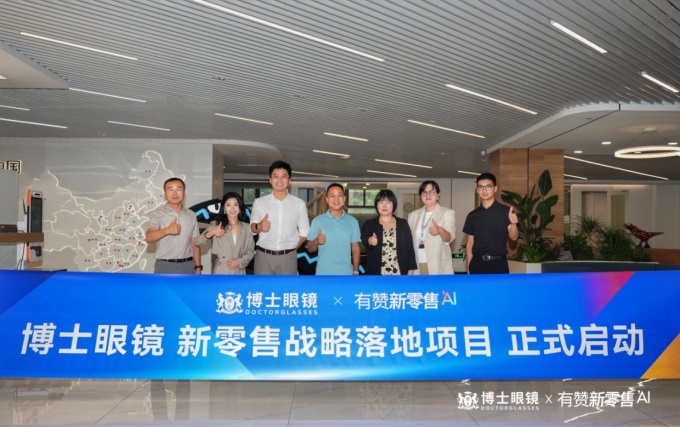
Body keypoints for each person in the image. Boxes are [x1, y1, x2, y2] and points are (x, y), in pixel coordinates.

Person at [249, 160, 310, 275]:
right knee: (262, 286)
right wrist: (259, 226)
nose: (280, 180)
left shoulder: (299, 204)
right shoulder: (259, 202)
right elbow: (252, 228)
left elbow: (304, 232)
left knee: (287, 287)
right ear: (270, 180)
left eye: (284, 176)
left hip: (288, 258)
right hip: (264, 257)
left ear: (289, 180)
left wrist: (291, 249)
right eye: (276, 176)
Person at [462, 172, 519, 274]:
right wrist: (469, 268)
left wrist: (514, 224)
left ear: (495, 188)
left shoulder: (506, 212)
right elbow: (470, 243)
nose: (484, 190)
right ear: (477, 190)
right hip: (477, 263)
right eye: (481, 187)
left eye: (488, 187)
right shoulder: (472, 215)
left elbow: (514, 237)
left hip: (498, 264)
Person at [145, 177, 201, 274]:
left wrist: (198, 267)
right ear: (165, 194)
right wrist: (167, 230)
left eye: (178, 189)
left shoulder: (191, 215)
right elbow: (149, 237)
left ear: (184, 192)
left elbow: (195, 243)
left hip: (187, 265)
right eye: (170, 190)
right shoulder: (157, 214)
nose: (175, 193)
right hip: (164, 265)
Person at [307, 183, 361, 275]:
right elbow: (310, 248)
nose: (336, 199)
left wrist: (356, 271)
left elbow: (355, 247)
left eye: (339, 195)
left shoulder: (353, 221)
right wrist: (316, 241)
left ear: (344, 198)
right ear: (327, 200)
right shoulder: (317, 221)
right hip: (323, 273)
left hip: (346, 273)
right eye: (332, 196)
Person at [361, 189, 417, 275]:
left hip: (400, 272)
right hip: (376, 273)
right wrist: (370, 241)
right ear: (376, 205)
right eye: (381, 202)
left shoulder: (403, 224)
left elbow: (409, 248)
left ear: (393, 204)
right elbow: (364, 240)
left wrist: (411, 269)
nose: (384, 206)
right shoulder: (369, 224)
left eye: (388, 202)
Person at [196, 192, 254, 274]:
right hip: (221, 269)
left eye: (235, 205)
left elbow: (250, 251)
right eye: (228, 205)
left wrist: (239, 262)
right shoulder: (216, 224)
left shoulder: (247, 227)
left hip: (239, 270)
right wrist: (212, 232)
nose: (232, 208)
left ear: (240, 208)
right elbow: (197, 242)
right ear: (224, 208)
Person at [407, 180, 456, 275]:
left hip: (437, 264)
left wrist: (440, 230)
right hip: (417, 263)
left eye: (431, 192)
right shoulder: (413, 215)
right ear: (420, 196)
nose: (428, 195)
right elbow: (408, 242)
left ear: (438, 195)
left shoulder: (447, 213)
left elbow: (449, 238)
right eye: (424, 192)